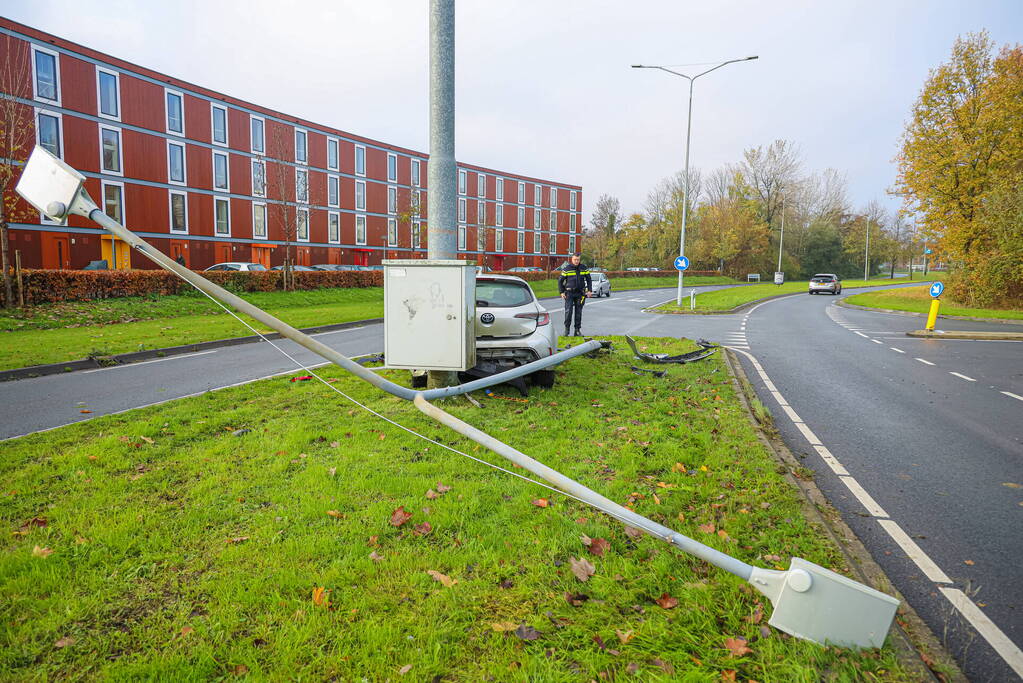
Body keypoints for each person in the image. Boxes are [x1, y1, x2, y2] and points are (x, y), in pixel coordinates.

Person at [558, 253, 592, 337]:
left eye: (578, 259)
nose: (576, 261)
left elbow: (589, 279)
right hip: (569, 293)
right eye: (575, 259)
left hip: (580, 294)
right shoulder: (567, 269)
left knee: (578, 312)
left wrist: (589, 290)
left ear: (579, 259)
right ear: (572, 259)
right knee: (568, 311)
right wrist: (562, 292)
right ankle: (566, 330)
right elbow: (560, 281)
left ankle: (577, 331)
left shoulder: (584, 268)